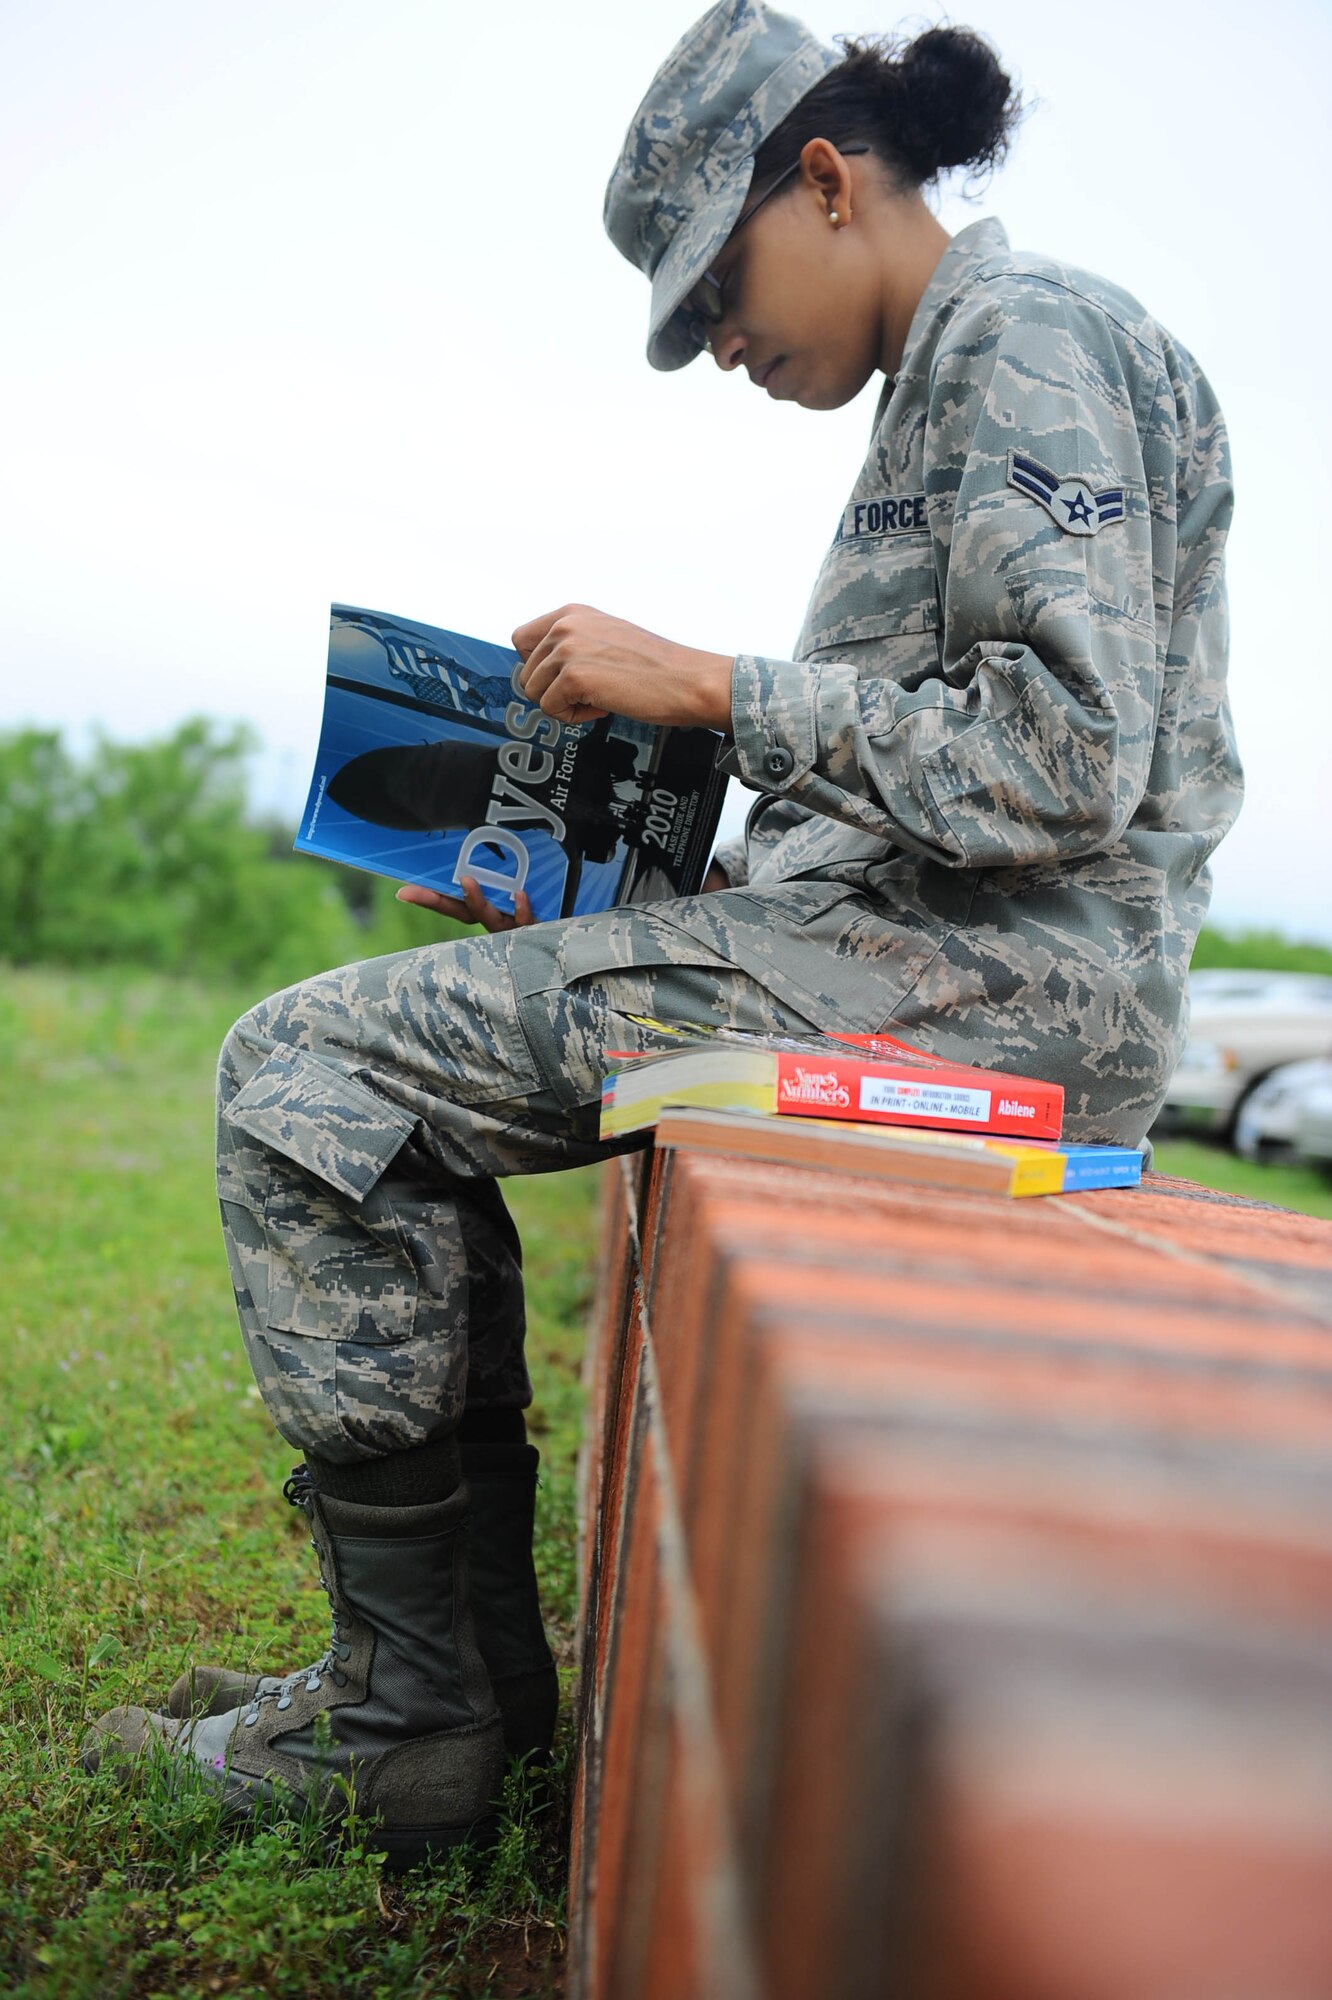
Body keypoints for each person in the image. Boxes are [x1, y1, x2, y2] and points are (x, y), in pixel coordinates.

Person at [85, 0, 1242, 1863]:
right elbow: (931, 797)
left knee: (305, 1064)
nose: (722, 347)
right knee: (374, 1068)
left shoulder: (1033, 337)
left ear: (827, 179)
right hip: (925, 954)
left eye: (718, 290)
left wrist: (703, 682)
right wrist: (581, 895)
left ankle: (416, 1723)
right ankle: (443, 1689)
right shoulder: (958, 367)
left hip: (1004, 998)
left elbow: (1068, 758)